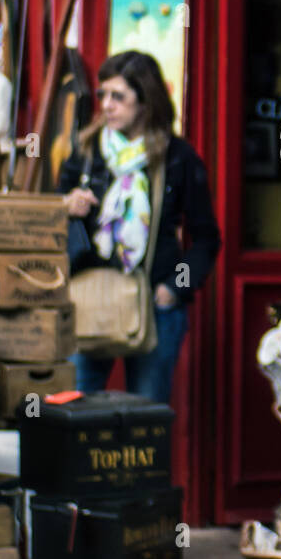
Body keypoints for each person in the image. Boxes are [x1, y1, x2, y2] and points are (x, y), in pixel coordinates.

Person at [58, 50, 220, 403]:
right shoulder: (87, 152)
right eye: (103, 95)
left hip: (154, 306)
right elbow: (47, 216)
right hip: (89, 300)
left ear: (145, 103)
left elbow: (206, 238)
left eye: (119, 97)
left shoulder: (177, 157)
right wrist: (66, 205)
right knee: (72, 414)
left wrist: (174, 288)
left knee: (145, 420)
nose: (107, 105)